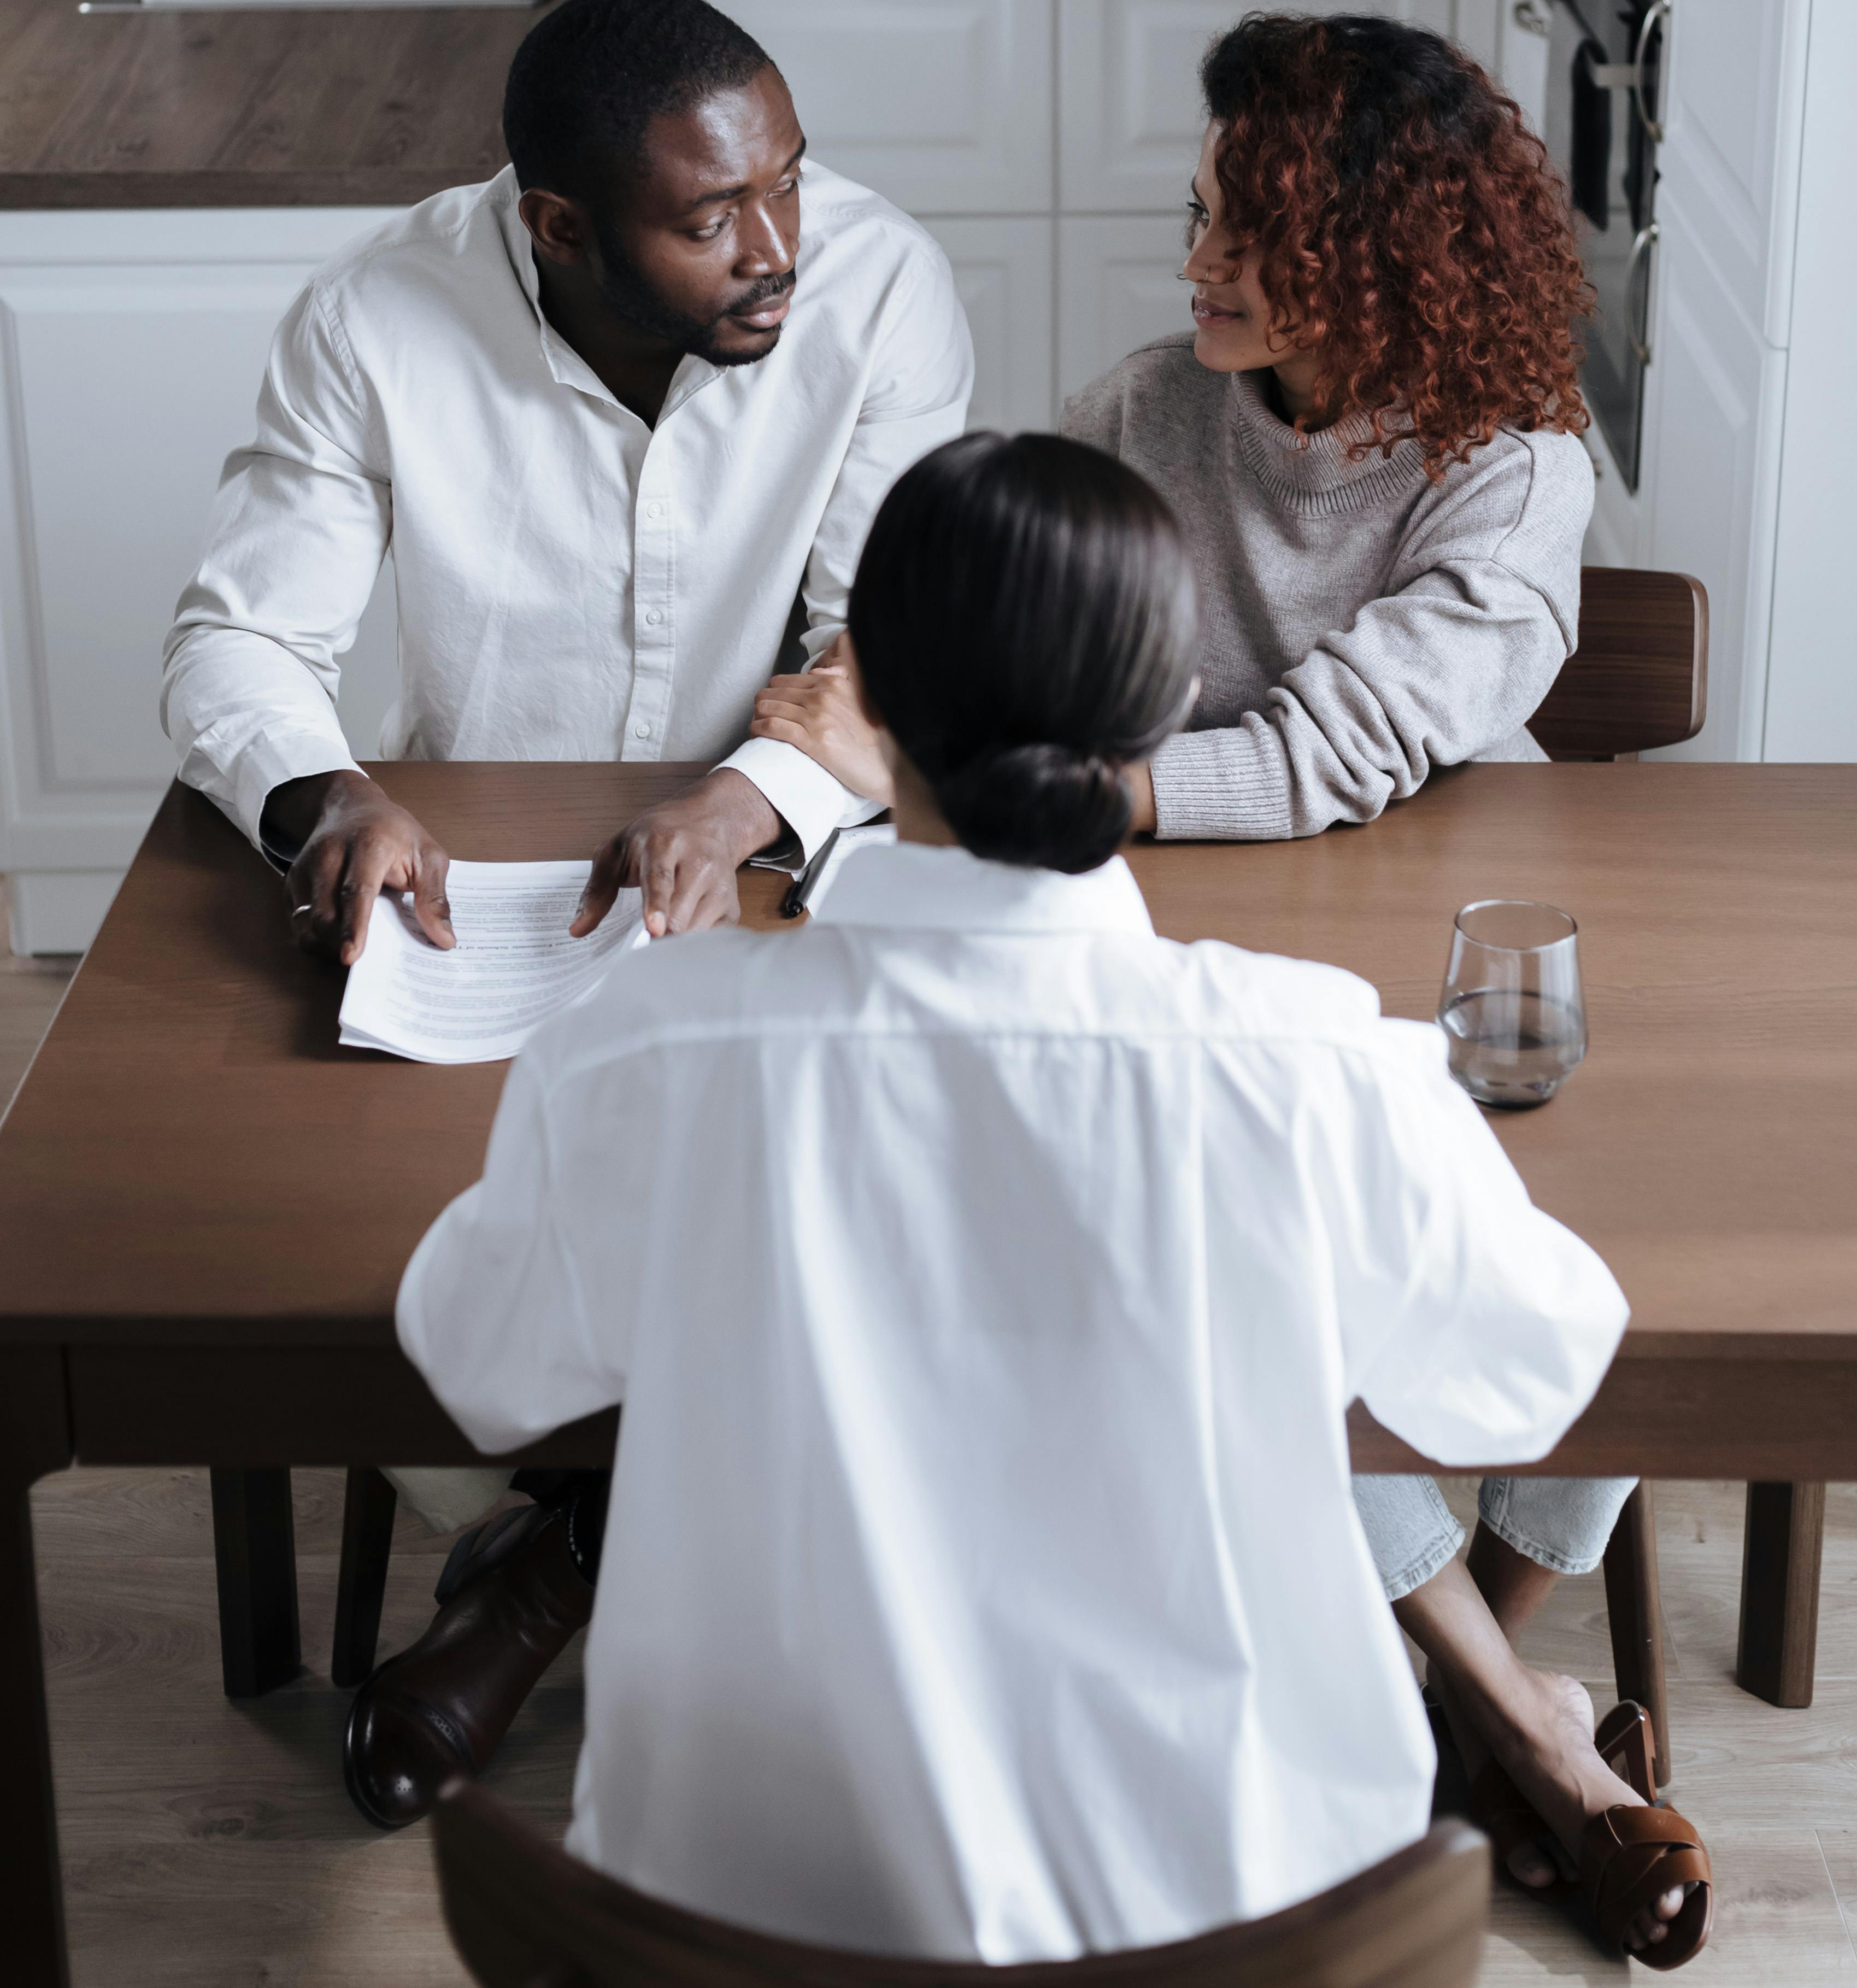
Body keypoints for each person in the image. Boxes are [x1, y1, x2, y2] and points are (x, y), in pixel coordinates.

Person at [399, 433, 1707, 1967]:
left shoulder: (647, 1044)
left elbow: (476, 1356)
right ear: (1160, 709)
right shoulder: (1312, 1062)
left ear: (852, 692)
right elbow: (1539, 1361)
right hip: (1252, 1935)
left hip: (735, 1940)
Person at [747, 16, 1704, 1958]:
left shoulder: (1509, 457)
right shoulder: (1136, 408)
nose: (1196, 261)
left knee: (1633, 1285)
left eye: (1245, 234)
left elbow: (1351, 747)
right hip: (1202, 958)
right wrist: (850, 696)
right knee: (1227, 1282)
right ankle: (1519, 1736)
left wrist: (1036, 779)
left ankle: (1447, 1687)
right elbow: (990, 605)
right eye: (1200, 215)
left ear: (1379, 252)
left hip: (1454, 970)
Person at [160, 0, 972, 1827]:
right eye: (711, 220)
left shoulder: (879, 281)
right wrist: (324, 796)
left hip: (786, 889)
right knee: (383, 1272)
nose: (780, 248)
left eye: (789, 184)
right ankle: (613, 1549)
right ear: (556, 227)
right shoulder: (374, 320)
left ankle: (545, 1579)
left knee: (831, 1243)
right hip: (469, 932)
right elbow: (237, 640)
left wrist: (749, 796)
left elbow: (886, 643)